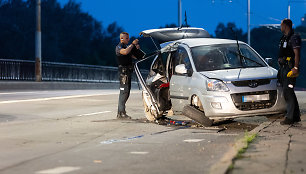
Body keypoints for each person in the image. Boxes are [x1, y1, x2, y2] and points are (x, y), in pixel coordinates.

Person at [277, 18, 302, 125]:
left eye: (281, 25)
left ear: (286, 26)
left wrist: (295, 68)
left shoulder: (293, 37)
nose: (280, 27)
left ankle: (290, 117)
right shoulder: (284, 38)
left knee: (288, 91)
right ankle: (295, 116)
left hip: (289, 68)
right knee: (288, 91)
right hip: (283, 68)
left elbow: (297, 53)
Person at [115, 32, 141, 119]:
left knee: (127, 92)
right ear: (121, 38)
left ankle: (121, 112)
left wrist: (136, 48)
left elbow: (136, 57)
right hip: (123, 73)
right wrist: (132, 45)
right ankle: (121, 113)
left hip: (128, 72)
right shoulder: (119, 47)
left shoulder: (127, 47)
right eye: (126, 38)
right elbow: (125, 52)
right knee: (124, 92)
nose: (128, 40)